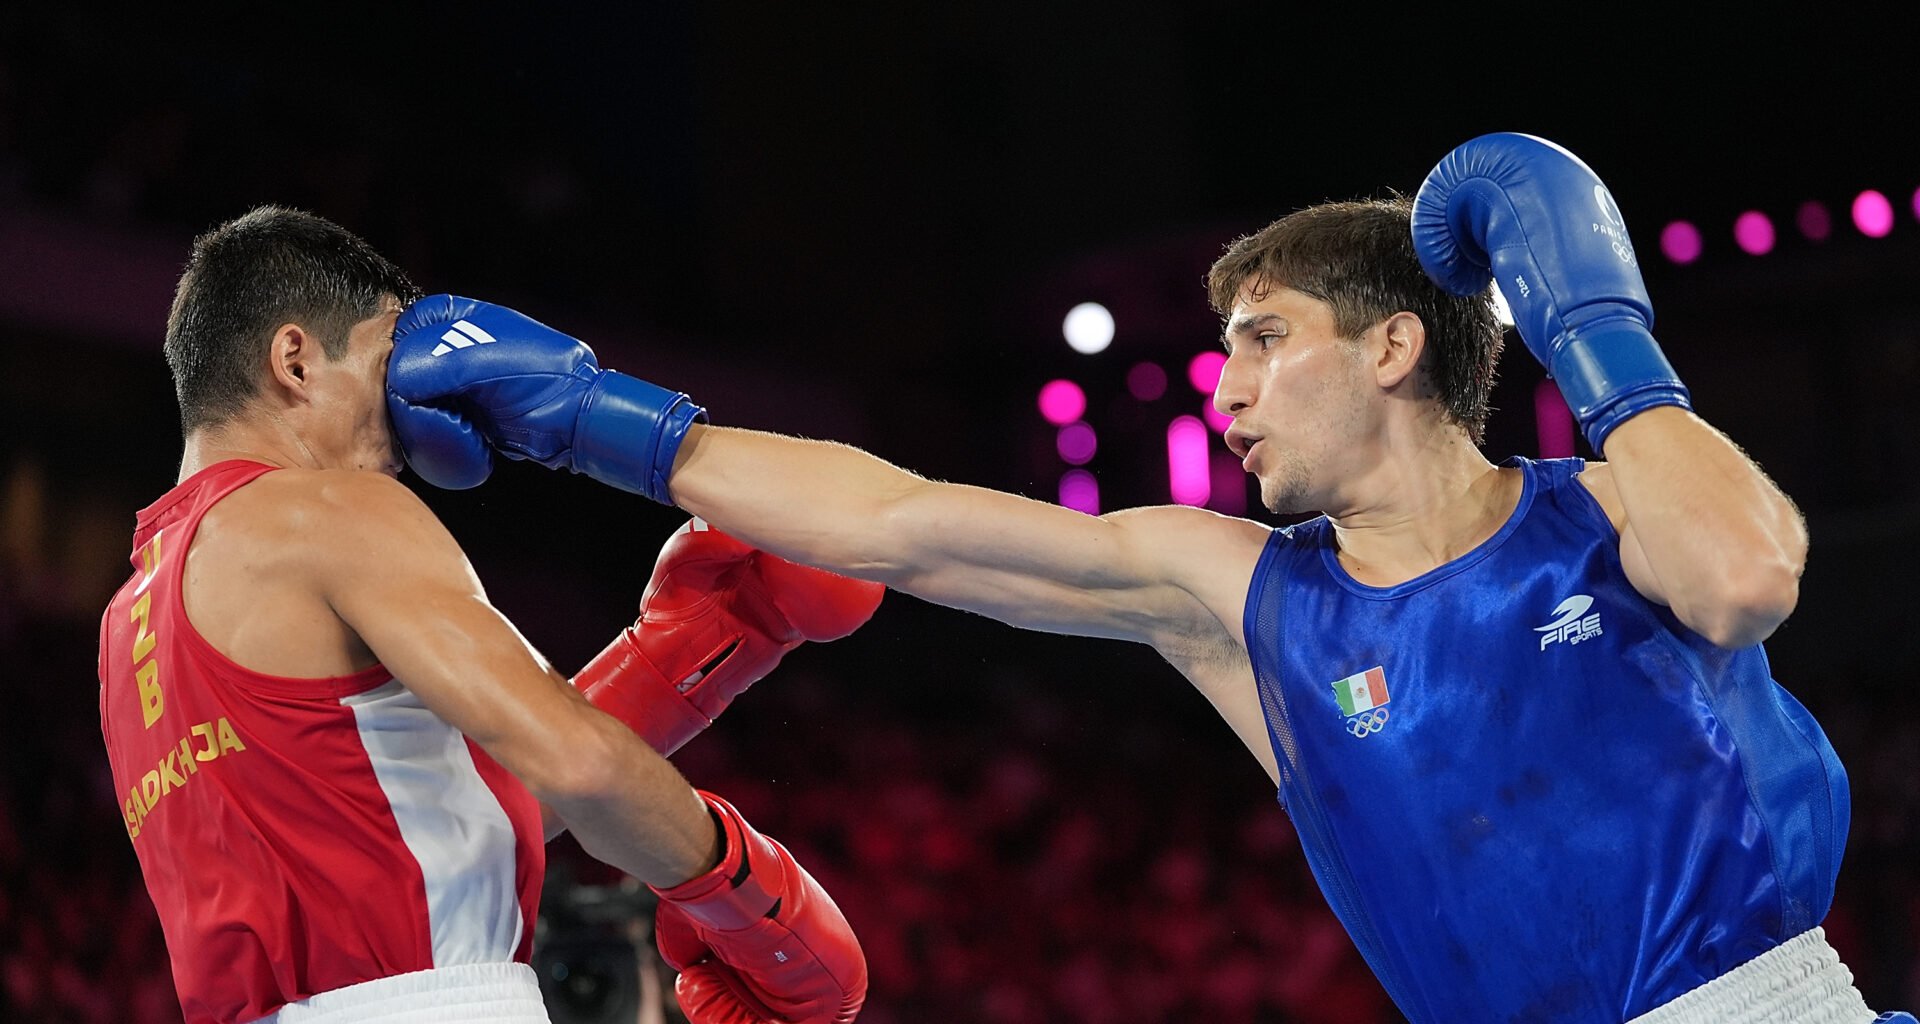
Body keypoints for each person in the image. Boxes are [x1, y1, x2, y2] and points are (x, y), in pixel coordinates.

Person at [385, 135, 1915, 1023]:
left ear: (1392, 346)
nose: (1225, 388)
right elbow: (905, 521)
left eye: (1265, 339)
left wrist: (1594, 324)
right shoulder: (1244, 594)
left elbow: (1742, 579)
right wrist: (604, 422)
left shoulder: (1617, 512)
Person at [97, 206, 883, 1024]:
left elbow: (433, 825)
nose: (411, 415)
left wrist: (698, 647)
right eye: (387, 365)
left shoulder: (128, 627)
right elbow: (580, 765)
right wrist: (751, 901)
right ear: (295, 359)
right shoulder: (328, 509)